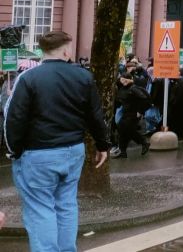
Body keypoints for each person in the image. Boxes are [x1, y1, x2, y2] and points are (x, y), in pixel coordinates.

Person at [4, 31, 109, 251]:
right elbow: (95, 116)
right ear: (65, 50)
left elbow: (14, 118)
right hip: (73, 151)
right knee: (66, 205)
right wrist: (102, 145)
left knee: (40, 209)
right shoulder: (83, 77)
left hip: (38, 153)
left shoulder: (29, 78)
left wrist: (14, 150)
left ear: (44, 51)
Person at [113, 62, 152, 158]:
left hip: (133, 114)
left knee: (128, 130)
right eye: (123, 80)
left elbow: (144, 99)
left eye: (126, 80)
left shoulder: (133, 89)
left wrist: (140, 111)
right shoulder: (123, 88)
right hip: (126, 113)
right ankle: (123, 151)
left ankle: (143, 143)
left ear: (130, 80)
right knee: (123, 131)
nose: (124, 82)